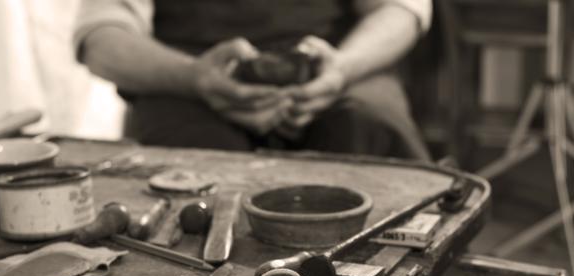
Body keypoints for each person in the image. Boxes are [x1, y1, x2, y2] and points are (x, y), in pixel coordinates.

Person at [73, 0, 432, 160]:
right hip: (192, 83)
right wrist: (195, 77)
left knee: (371, 128)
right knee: (192, 164)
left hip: (335, 70)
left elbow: (399, 8)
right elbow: (100, 38)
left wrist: (343, 67)